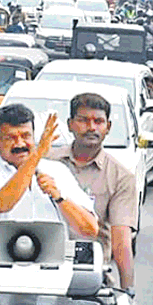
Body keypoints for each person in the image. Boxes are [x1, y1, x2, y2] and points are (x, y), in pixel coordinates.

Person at [0, 103, 98, 240]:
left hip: (51, 259)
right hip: (0, 259)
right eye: (10, 138)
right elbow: (3, 204)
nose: (19, 144)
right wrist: (37, 155)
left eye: (25, 136)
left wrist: (59, 197)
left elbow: (90, 229)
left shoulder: (57, 170)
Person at [53, 93, 139, 291]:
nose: (91, 127)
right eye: (83, 120)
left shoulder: (121, 176)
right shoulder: (47, 163)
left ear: (108, 127)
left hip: (90, 276)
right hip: (42, 268)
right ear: (70, 124)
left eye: (98, 121)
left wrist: (128, 294)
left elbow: (121, 240)